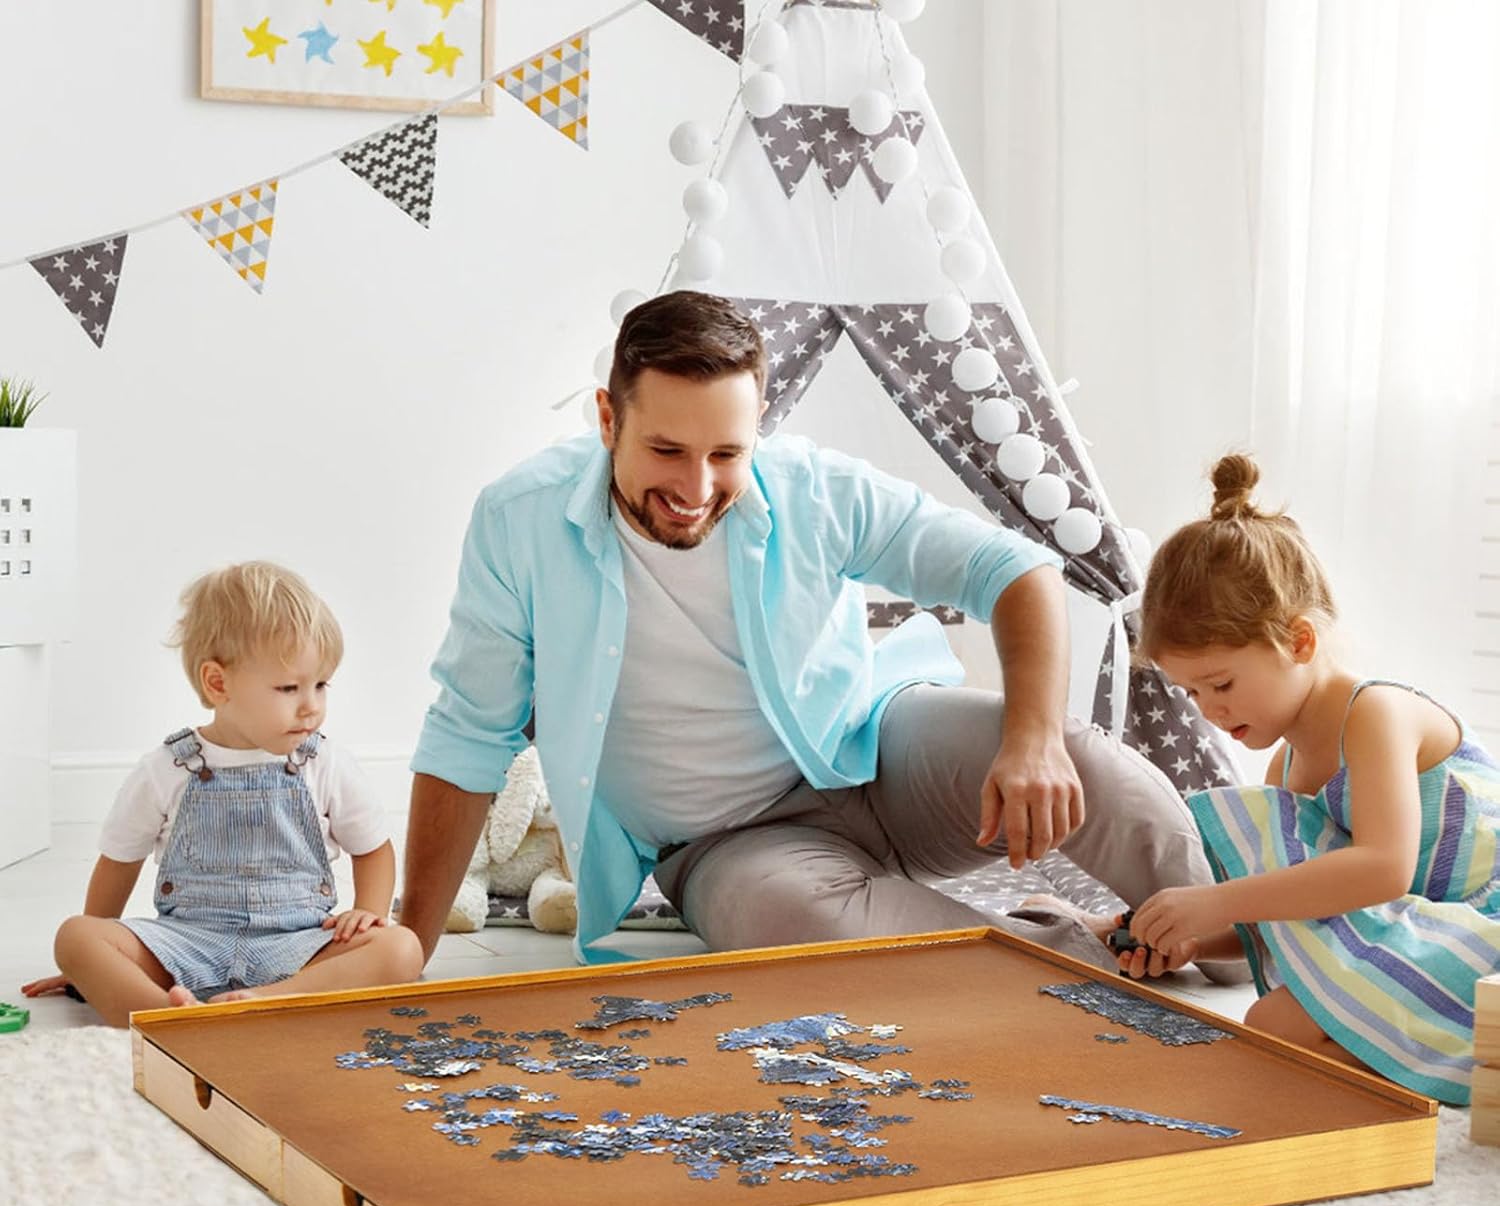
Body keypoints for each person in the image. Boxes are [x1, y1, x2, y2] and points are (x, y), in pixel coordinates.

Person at [399, 291, 1229, 973]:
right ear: (608, 419)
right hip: (726, 846)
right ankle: (1081, 954)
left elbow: (1015, 570)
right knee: (806, 933)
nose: (697, 487)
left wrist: (1034, 740)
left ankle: (1243, 936)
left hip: (879, 754)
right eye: (668, 450)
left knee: (1081, 760)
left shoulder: (811, 489)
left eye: (727, 454)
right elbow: (469, 735)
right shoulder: (520, 520)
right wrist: (410, 947)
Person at [1110, 453, 1495, 1105]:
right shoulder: (1284, 767)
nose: (1209, 712)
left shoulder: (1376, 714)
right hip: (1414, 937)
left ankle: (1450, 1061)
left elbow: (1383, 870)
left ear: (1300, 642)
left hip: (1480, 934)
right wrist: (1192, 940)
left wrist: (1215, 902)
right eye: (1192, 694)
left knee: (1276, 1027)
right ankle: (1434, 1057)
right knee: (1274, 1026)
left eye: (1222, 684)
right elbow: (1293, 918)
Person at [22, 562, 423, 1027]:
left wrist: (367, 912)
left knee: (402, 947)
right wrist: (92, 963)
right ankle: (168, 1018)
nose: (311, 706)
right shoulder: (167, 768)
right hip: (187, 942)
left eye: (320, 685)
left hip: (297, 944)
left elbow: (373, 848)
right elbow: (119, 862)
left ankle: (270, 999)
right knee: (75, 936)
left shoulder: (324, 762)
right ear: (218, 683)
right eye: (288, 687)